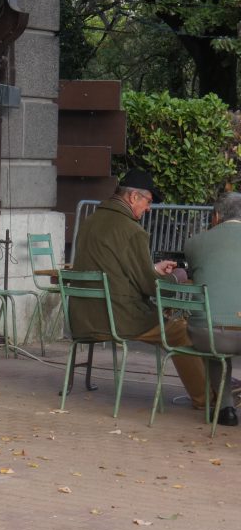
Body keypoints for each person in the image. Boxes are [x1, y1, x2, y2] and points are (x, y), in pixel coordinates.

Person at [69, 169, 208, 413]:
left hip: (83, 316)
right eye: (148, 201)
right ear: (133, 197)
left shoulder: (91, 221)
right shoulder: (133, 231)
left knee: (173, 326)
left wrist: (152, 268)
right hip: (119, 317)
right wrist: (177, 276)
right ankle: (207, 398)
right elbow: (150, 287)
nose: (149, 208)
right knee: (180, 332)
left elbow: (115, 267)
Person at [183, 192, 241, 426]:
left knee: (213, 344)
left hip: (210, 333)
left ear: (216, 216)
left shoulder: (195, 243)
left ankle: (225, 408)